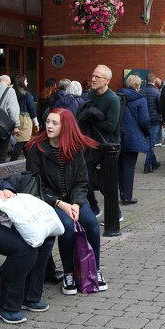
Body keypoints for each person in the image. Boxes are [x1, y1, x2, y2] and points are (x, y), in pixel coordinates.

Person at [26, 108, 108, 296]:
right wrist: (59, 203)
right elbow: (35, 184)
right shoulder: (36, 149)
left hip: (74, 200)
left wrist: (77, 204)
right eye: (47, 122)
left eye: (55, 123)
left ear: (66, 126)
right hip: (48, 201)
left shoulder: (75, 148)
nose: (49, 126)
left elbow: (81, 181)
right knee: (66, 227)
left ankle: (94, 270)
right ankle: (69, 273)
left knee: (91, 224)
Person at [0, 174, 55, 323]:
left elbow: (0, 180)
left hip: (2, 212)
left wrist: (6, 189)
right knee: (23, 249)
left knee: (43, 236)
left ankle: (29, 296)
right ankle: (7, 305)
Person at [76, 65, 121, 216]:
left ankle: (115, 212)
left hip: (109, 147)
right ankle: (94, 207)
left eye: (97, 77)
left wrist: (92, 119)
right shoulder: (90, 95)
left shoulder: (113, 99)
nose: (93, 79)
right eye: (93, 75)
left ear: (107, 80)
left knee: (105, 182)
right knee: (83, 175)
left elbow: (110, 125)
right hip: (92, 144)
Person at [117, 75, 150, 205]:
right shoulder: (140, 100)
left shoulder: (118, 97)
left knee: (120, 166)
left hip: (118, 136)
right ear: (137, 85)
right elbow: (144, 121)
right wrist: (146, 133)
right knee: (129, 167)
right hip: (133, 137)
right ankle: (127, 196)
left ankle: (122, 193)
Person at [10, 73, 38, 161]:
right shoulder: (27, 94)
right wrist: (36, 123)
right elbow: (32, 109)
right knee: (21, 141)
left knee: (25, 141)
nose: (27, 82)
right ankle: (12, 162)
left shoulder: (12, 92)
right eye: (26, 81)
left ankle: (30, 162)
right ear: (22, 82)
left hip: (14, 118)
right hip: (25, 119)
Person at [0, 75, 20, 164]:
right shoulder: (10, 91)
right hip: (3, 128)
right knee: (1, 155)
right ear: (9, 83)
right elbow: (13, 110)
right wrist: (16, 126)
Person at [143, 73, 162, 173]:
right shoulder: (156, 92)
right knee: (151, 143)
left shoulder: (141, 92)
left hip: (144, 121)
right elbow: (160, 108)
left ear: (146, 81)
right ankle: (147, 165)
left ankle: (153, 162)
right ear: (154, 81)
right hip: (154, 121)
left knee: (148, 143)